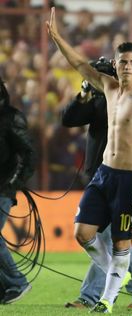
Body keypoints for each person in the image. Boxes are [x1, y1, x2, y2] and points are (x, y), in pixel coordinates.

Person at [47, 7, 132, 314]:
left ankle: (106, 300)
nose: (126, 66)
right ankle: (119, 275)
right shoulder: (108, 89)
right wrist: (57, 38)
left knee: (121, 243)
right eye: (122, 61)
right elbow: (77, 63)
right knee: (82, 233)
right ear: (114, 64)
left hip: (129, 180)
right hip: (103, 174)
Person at [62, 57, 132, 309]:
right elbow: (69, 118)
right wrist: (84, 91)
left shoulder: (130, 100)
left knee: (111, 240)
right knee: (111, 240)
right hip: (102, 177)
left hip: (126, 179)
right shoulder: (101, 100)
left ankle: (97, 295)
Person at [0, 78, 35, 304]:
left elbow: (27, 155)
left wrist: (13, 183)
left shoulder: (11, 118)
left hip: (3, 187)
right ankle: (6, 288)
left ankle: (17, 282)